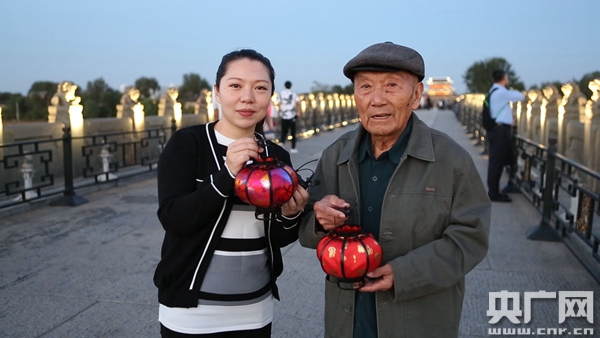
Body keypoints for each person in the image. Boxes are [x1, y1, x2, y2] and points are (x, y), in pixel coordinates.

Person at [299, 42, 491, 338]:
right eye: (365, 87)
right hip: (347, 320)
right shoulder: (336, 155)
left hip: (419, 321)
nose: (377, 100)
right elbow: (305, 224)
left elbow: (471, 238)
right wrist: (319, 220)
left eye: (391, 86)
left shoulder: (452, 160)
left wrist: (404, 274)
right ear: (355, 96)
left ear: (416, 95)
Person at [154, 49, 309, 337]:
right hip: (191, 314)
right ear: (217, 91)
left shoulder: (276, 157)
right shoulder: (188, 144)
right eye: (235, 86)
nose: (247, 97)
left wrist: (291, 215)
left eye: (260, 88)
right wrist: (227, 175)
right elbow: (174, 219)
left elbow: (277, 237)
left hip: (254, 311)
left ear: (270, 96)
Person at [486, 69, 525, 202]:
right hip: (500, 131)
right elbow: (520, 96)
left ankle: (494, 190)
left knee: (496, 160)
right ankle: (494, 193)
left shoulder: (493, 91)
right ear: (504, 78)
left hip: (496, 130)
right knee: (497, 162)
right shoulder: (501, 92)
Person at [278, 81, 300, 153]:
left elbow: (279, 103)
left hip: (284, 114)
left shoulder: (281, 93)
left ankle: (282, 145)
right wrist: (298, 111)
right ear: (291, 86)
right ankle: (293, 148)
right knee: (293, 132)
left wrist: (280, 110)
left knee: (283, 132)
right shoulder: (293, 94)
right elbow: (298, 102)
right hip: (292, 114)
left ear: (285, 86)